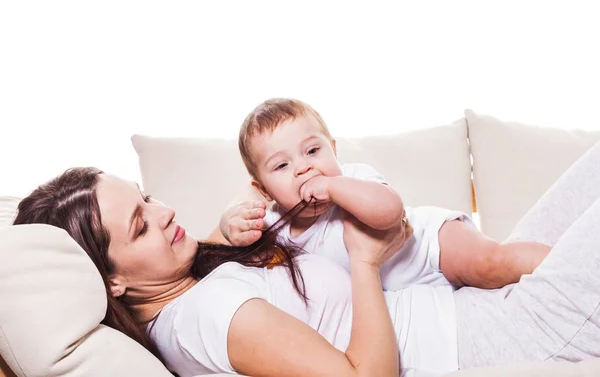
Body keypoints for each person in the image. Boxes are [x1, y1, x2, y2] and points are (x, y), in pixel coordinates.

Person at [13, 136, 600, 376]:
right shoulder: (210, 315)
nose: (164, 212)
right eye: (140, 224)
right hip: (494, 340)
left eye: (147, 197)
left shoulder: (203, 284)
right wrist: (365, 261)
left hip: (470, 307)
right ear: (110, 281)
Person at [220, 98, 550, 290]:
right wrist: (230, 227)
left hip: (430, 245)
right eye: (281, 166)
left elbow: (391, 211)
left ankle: (565, 265)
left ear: (334, 151)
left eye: (312, 151)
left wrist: (333, 187)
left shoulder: (352, 178)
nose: (303, 168)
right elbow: (240, 261)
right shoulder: (274, 224)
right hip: (407, 292)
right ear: (264, 191)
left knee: (490, 265)